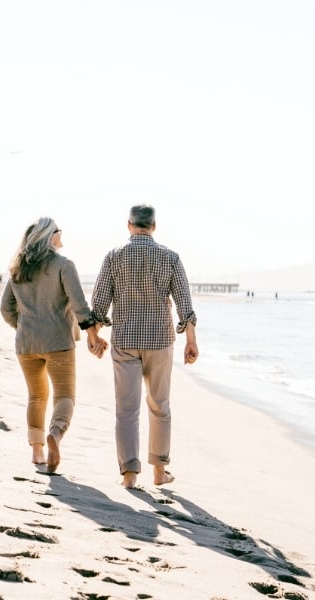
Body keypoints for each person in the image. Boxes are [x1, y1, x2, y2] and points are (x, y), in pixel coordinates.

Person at [91, 204, 199, 488]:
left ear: (129, 225)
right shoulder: (171, 257)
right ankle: (159, 472)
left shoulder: (114, 256)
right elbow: (184, 305)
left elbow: (99, 303)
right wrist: (191, 340)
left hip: (125, 340)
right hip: (160, 341)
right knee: (159, 406)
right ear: (154, 226)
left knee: (126, 410)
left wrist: (94, 335)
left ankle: (129, 475)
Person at [1, 217, 107, 473]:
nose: (62, 235)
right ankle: (55, 434)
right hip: (58, 341)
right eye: (59, 231)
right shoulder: (64, 265)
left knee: (36, 396)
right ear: (50, 237)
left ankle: (37, 451)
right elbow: (81, 307)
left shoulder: (18, 267)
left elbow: (6, 309)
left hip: (26, 343)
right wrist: (93, 335)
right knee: (65, 396)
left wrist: (24, 326)